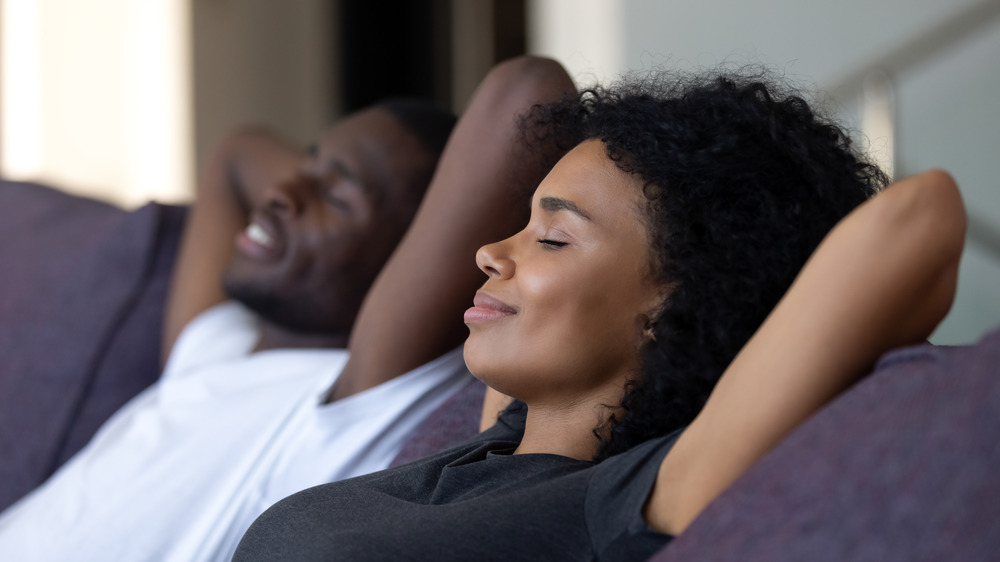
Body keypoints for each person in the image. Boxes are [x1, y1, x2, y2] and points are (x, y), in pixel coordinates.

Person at [231, 68, 966, 561]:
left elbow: (919, 219)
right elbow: (519, 103)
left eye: (552, 237)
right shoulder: (503, 435)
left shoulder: (618, 495)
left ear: (672, 302)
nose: (490, 251)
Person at [0, 58, 576, 562]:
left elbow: (530, 89)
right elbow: (232, 154)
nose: (279, 193)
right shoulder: (215, 347)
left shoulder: (348, 399)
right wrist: (329, 176)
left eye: (335, 195)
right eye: (307, 163)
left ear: (414, 257)